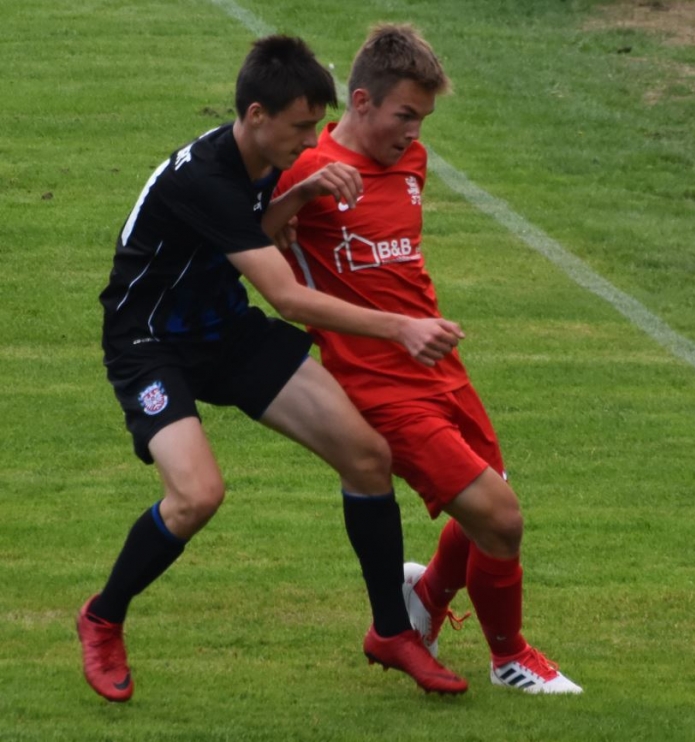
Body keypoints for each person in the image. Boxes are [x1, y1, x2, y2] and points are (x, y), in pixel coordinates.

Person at [78, 34, 469, 703]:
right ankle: (102, 618)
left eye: (317, 125)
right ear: (256, 115)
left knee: (367, 457)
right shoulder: (206, 179)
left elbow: (259, 229)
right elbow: (286, 297)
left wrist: (302, 189)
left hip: (225, 331)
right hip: (150, 344)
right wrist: (400, 326)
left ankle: (391, 632)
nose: (313, 140)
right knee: (197, 496)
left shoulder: (266, 161)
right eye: (301, 127)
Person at [273, 24, 582, 694]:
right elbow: (251, 247)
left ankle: (426, 598)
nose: (413, 133)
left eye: (423, 119)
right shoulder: (309, 169)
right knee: (500, 518)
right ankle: (509, 657)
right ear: (361, 101)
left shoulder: (411, 161)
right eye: (405, 115)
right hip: (379, 385)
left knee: (493, 493)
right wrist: (296, 198)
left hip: (441, 363)